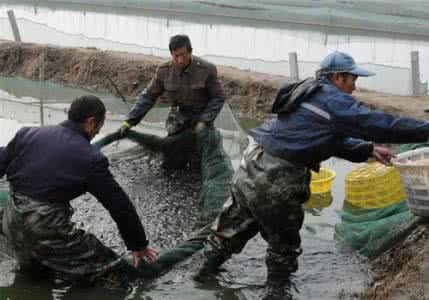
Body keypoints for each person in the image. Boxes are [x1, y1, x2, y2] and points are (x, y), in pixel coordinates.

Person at [194, 51, 429, 299]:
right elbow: (379, 124)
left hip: (250, 165)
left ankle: (199, 281)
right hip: (277, 177)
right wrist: (425, 130)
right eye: (352, 80)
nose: (354, 87)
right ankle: (276, 294)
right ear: (338, 77)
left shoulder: (306, 92)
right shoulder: (333, 100)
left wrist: (367, 150)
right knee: (282, 249)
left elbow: (318, 137)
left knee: (229, 232)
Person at [0, 95, 157, 287]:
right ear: (91, 122)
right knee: (114, 272)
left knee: (35, 278)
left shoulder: (27, 134)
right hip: (45, 229)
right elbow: (119, 205)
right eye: (99, 126)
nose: (97, 132)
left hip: (11, 224)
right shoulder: (90, 158)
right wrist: (138, 245)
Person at [118, 34, 225, 170]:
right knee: (172, 161)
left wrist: (204, 120)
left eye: (183, 55)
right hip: (178, 120)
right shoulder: (164, 70)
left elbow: (218, 97)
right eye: (176, 56)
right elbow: (148, 97)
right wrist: (130, 120)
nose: (180, 60)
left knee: (197, 164)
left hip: (201, 119)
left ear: (190, 51)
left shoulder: (207, 69)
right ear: (171, 54)